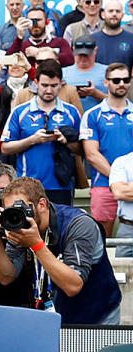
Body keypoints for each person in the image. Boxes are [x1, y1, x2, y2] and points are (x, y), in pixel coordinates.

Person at [0, 176, 121, 324]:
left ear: (41, 204)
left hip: (96, 316)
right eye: (10, 210)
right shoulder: (21, 225)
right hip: (53, 317)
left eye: (20, 207)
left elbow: (73, 285)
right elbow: (6, 277)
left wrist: (36, 245)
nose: (16, 214)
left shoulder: (78, 224)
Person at [0, 60, 82, 205]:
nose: (49, 90)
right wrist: (32, 140)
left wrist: (66, 141)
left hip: (61, 185)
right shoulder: (20, 112)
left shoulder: (71, 112)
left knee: (60, 226)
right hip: (27, 185)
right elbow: (5, 148)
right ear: (36, 83)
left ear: (61, 84)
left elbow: (83, 150)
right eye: (44, 85)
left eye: (54, 86)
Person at [80, 62, 133, 235]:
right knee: (102, 241)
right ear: (106, 82)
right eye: (116, 80)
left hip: (132, 185)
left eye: (125, 80)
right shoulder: (93, 114)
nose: (121, 84)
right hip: (103, 184)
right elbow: (91, 154)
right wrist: (117, 181)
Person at [6, 6, 74, 67]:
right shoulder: (22, 46)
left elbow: (69, 60)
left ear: (47, 21)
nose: (35, 24)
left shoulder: (60, 42)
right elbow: (8, 61)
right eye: (31, 21)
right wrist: (19, 37)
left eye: (38, 20)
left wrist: (39, 52)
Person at [89, 1, 133, 67]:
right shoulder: (91, 40)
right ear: (103, 14)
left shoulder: (131, 39)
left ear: (122, 15)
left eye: (118, 11)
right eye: (110, 11)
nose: (114, 14)